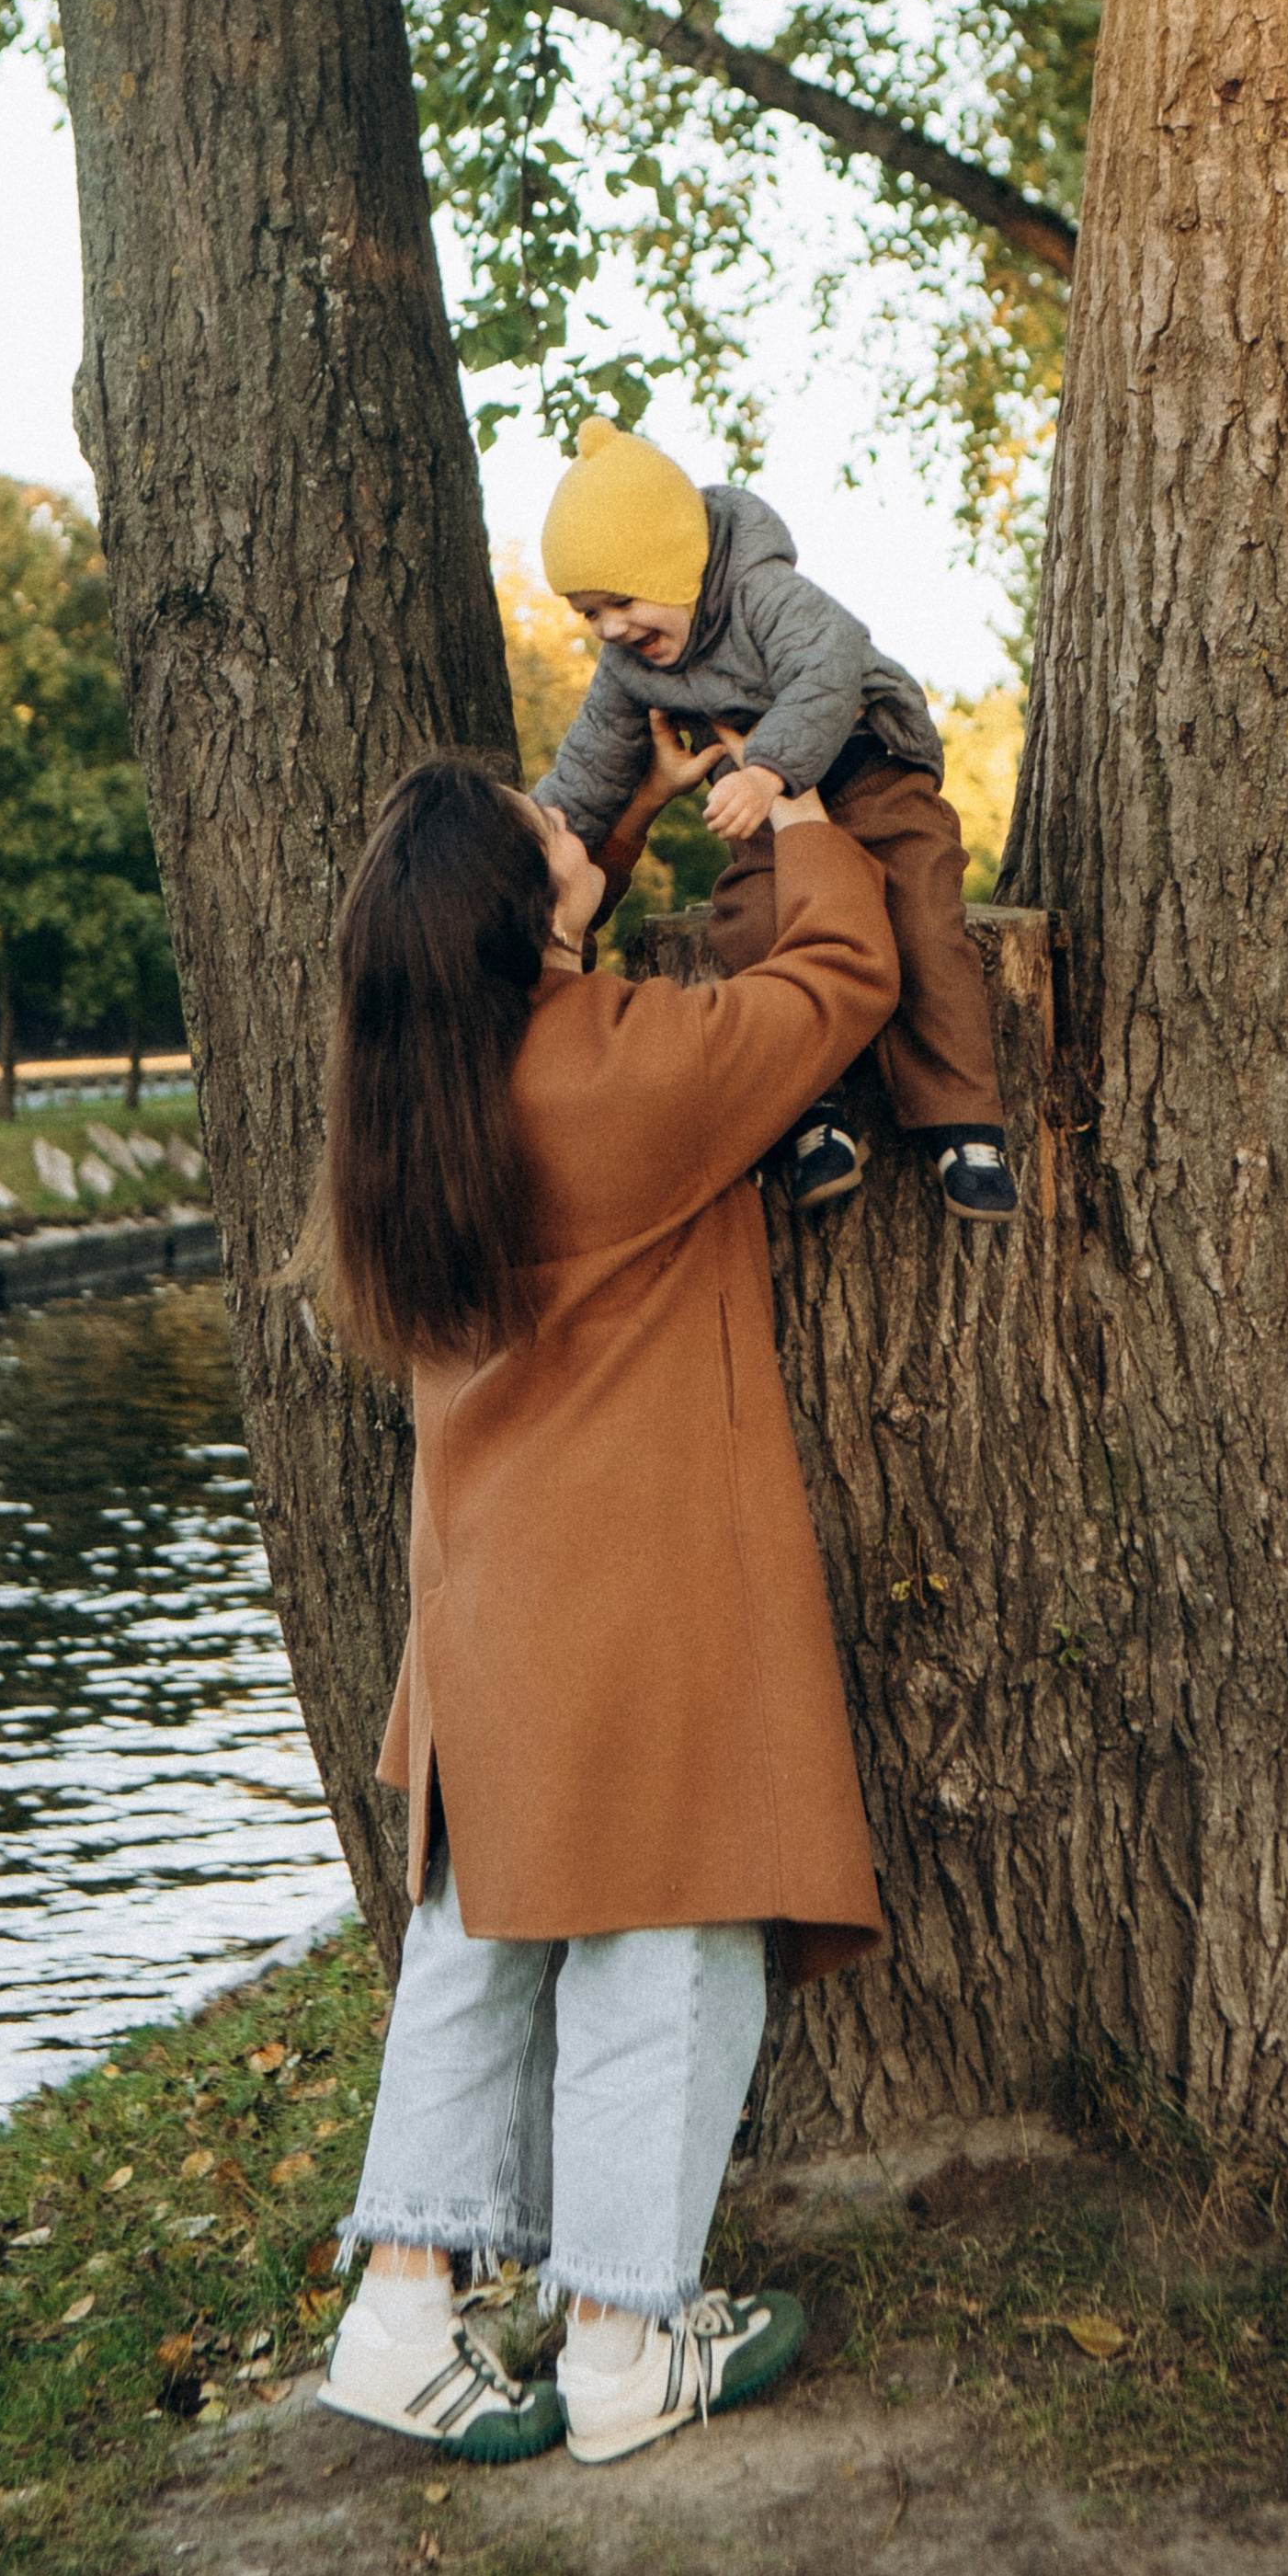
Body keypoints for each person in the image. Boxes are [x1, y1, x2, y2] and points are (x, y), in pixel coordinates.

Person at [298, 751, 899, 2467]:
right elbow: (836, 988)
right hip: (642, 1594)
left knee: (475, 1951)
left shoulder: (414, 1089)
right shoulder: (620, 1078)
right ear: (523, 917)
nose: (579, 826)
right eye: (557, 835)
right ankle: (630, 2337)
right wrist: (798, 830)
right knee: (676, 1940)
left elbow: (558, 925)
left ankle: (401, 2312)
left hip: (490, 1607)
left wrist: (614, 824)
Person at [531, 416, 1019, 1221]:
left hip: (870, 774)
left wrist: (765, 770)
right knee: (750, 926)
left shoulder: (763, 591)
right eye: (590, 614)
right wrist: (540, 839)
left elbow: (833, 662)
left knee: (924, 924)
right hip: (763, 816)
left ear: (676, 565)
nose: (612, 629)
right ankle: (809, 1113)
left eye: (621, 600)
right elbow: (591, 769)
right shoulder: (628, 668)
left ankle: (962, 1120)